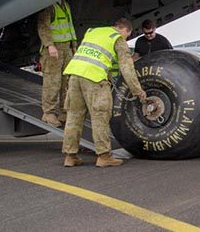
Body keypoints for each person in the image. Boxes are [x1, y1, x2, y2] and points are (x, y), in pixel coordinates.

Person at [61, 18, 148, 167]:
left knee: (74, 116)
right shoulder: (118, 39)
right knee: (100, 117)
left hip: (75, 75)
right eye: (127, 36)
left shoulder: (93, 31)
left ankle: (70, 156)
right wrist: (138, 91)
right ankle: (104, 156)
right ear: (126, 30)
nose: (126, 39)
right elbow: (127, 69)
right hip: (94, 79)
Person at [37, 0, 78, 128]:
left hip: (67, 48)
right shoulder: (49, 6)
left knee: (67, 81)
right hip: (54, 49)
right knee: (53, 81)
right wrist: (49, 45)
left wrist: (73, 47)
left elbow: (69, 26)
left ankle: (64, 111)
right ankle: (48, 113)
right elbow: (43, 27)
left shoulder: (65, 4)